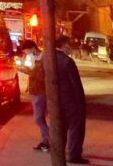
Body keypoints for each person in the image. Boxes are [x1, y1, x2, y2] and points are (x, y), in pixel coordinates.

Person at [55, 35, 88, 164]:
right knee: (76, 128)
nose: (70, 47)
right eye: (69, 44)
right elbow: (76, 84)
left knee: (61, 127)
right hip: (72, 101)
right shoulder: (67, 61)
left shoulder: (49, 58)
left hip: (58, 100)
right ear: (64, 45)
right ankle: (74, 155)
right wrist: (81, 102)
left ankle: (60, 151)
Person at [18, 41, 49, 152]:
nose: (27, 54)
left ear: (32, 48)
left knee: (38, 118)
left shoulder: (43, 58)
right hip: (35, 90)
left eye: (27, 51)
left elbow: (41, 76)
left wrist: (28, 72)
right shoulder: (34, 58)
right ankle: (45, 140)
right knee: (39, 118)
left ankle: (49, 139)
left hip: (40, 91)